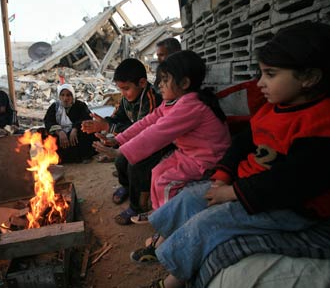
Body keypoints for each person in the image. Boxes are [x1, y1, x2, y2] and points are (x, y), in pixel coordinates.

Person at [133, 21, 330, 288]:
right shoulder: (275, 107)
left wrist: (233, 193)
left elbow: (291, 182)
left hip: (288, 207)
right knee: (191, 198)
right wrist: (224, 175)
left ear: (309, 77)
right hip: (244, 187)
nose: (259, 83)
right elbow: (242, 143)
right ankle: (164, 244)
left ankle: (171, 282)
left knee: (210, 223)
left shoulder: (319, 123)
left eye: (270, 75)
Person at [93, 50, 231, 225]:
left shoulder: (191, 105)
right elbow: (147, 122)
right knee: (156, 172)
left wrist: (122, 152)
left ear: (185, 83)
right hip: (189, 154)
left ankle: (166, 223)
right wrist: (119, 140)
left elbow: (157, 132)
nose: (160, 86)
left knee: (165, 183)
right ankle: (159, 212)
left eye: (165, 80)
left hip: (206, 159)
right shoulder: (171, 102)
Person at [81, 58, 163, 222]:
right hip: (138, 138)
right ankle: (126, 186)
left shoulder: (152, 99)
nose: (123, 93)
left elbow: (145, 130)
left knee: (135, 165)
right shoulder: (126, 99)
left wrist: (108, 128)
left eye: (126, 88)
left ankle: (137, 207)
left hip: (157, 143)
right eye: (120, 89)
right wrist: (102, 125)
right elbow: (117, 119)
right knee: (120, 162)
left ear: (142, 82)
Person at [44, 83, 96, 163]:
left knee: (89, 131)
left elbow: (87, 118)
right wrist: (59, 131)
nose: (65, 98)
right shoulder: (55, 107)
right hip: (61, 136)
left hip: (76, 136)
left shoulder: (80, 105)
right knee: (42, 134)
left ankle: (84, 156)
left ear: (73, 96)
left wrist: (75, 128)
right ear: (59, 96)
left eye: (68, 95)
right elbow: (48, 121)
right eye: (63, 95)